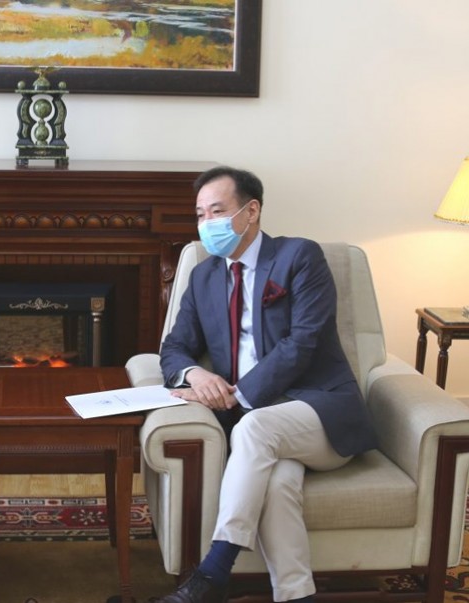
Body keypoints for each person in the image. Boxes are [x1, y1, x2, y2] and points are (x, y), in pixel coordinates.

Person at [155, 167, 377, 603]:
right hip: (268, 433)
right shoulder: (203, 277)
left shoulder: (299, 257)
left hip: (321, 411)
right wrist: (196, 374)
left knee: (254, 427)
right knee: (276, 485)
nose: (207, 223)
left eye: (217, 211)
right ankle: (297, 595)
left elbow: (303, 342)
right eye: (200, 214)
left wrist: (236, 396)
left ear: (251, 211)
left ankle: (214, 571)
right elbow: (174, 347)